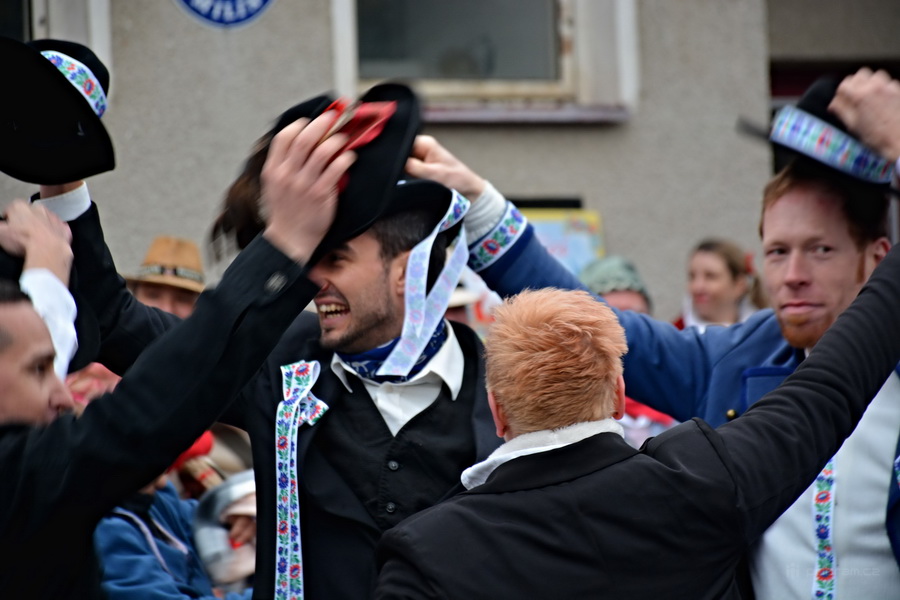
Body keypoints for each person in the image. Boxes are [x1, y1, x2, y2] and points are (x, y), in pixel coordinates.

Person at [407, 69, 900, 597]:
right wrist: (481, 207)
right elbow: (598, 324)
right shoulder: (736, 359)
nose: (793, 274)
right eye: (778, 251)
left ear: (877, 259)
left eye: (820, 250)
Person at [54, 88, 501, 599]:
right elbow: (114, 320)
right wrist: (61, 176)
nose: (314, 282)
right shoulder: (278, 361)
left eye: (336, 261)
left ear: (405, 271)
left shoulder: (507, 391)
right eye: (312, 261)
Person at [0, 108, 356, 599]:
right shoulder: (289, 363)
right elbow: (143, 402)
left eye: (342, 256)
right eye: (40, 368)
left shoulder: (471, 387)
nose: (67, 396)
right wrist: (286, 243)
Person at [375, 268, 900, 598]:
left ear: (497, 410)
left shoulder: (427, 553)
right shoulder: (703, 482)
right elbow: (829, 388)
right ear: (621, 393)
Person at [578, 254, 674, 446]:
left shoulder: (677, 396)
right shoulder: (570, 415)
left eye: (637, 319)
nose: (627, 333)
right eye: (615, 318)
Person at [673, 237, 766, 332]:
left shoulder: (764, 331)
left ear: (739, 285)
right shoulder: (676, 335)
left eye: (710, 276)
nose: (697, 287)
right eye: (692, 276)